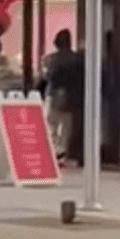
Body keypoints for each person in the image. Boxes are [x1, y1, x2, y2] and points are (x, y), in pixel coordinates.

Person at [42, 30, 84, 164]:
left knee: (52, 123)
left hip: (54, 94)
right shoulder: (77, 58)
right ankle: (64, 150)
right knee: (67, 126)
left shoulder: (51, 59)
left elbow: (48, 77)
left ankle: (54, 148)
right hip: (72, 96)